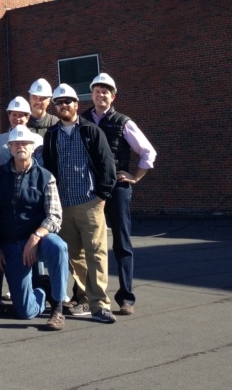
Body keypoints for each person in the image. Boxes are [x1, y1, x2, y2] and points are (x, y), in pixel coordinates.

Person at [42, 83, 117, 324]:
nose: (64, 105)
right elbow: (48, 169)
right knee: (74, 256)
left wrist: (102, 196)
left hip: (89, 202)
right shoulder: (51, 136)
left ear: (76, 104)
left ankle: (100, 305)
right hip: (63, 206)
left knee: (97, 254)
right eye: (59, 102)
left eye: (68, 101)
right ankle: (85, 297)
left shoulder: (90, 131)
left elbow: (107, 164)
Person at [83, 72, 157, 315]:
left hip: (117, 189)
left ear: (113, 97)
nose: (100, 94)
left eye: (106, 91)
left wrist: (135, 177)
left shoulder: (123, 122)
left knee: (122, 243)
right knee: (87, 244)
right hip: (88, 189)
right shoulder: (82, 120)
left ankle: (126, 298)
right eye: (97, 90)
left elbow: (148, 152)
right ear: (91, 94)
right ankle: (85, 295)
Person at [0, 125, 68, 331]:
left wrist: (36, 236)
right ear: (10, 148)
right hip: (11, 244)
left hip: (39, 240)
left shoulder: (46, 177)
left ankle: (58, 308)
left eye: (25, 143)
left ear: (32, 148)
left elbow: (55, 216)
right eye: (16, 143)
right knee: (24, 312)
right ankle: (42, 290)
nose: (20, 146)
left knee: (58, 247)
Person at [0, 96, 43, 167]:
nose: (17, 119)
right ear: (9, 117)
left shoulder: (37, 140)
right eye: (14, 115)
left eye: (20, 115)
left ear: (27, 118)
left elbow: (41, 166)